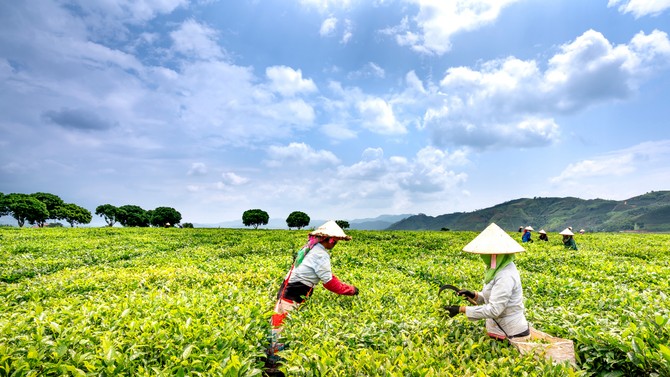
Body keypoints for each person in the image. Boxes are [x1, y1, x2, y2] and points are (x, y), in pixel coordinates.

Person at [266, 220, 359, 369]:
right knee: (280, 330)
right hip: (292, 294)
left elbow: (327, 275)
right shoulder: (321, 254)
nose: (335, 245)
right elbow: (329, 283)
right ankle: (274, 366)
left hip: (288, 291)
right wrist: (350, 290)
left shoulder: (311, 248)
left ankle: (274, 361)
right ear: (328, 240)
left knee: (279, 326)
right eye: (335, 242)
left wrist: (346, 286)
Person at [444, 223, 530, 341]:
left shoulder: (506, 275)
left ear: (494, 255)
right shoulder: (495, 269)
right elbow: (492, 298)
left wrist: (461, 309)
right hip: (498, 329)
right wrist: (473, 295)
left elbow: (494, 309)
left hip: (512, 333)